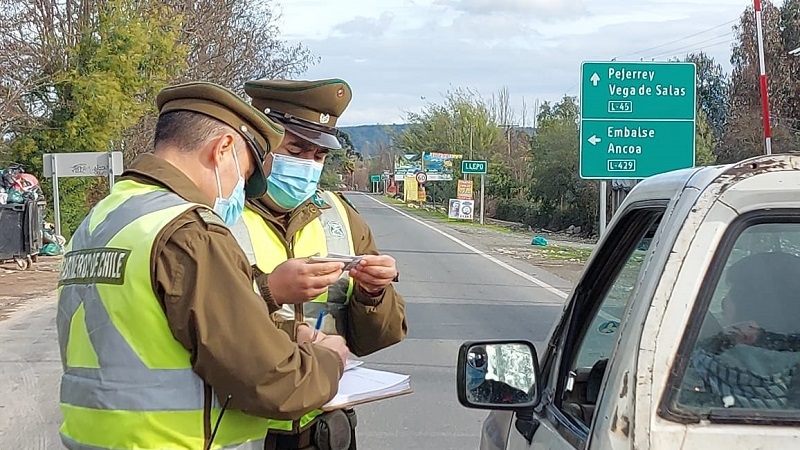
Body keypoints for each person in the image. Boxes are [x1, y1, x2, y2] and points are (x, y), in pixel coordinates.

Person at [55, 81, 350, 450]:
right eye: (242, 176)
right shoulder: (190, 232)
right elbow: (273, 382)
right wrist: (329, 359)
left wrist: (290, 334)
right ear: (222, 149)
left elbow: (156, 330)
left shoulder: (105, 217)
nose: (238, 192)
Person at [687, 251, 800, 410]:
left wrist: (719, 342)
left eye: (733, 291)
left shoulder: (698, 371)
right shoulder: (790, 375)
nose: (724, 301)